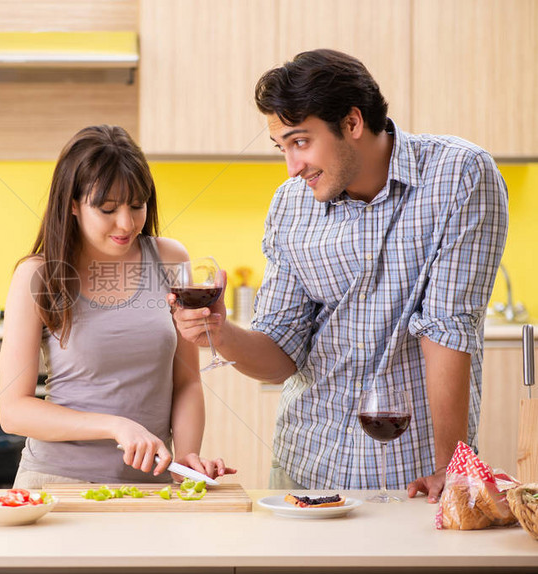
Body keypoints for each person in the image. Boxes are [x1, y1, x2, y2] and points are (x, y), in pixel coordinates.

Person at [171, 49, 508, 503]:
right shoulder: (291, 204)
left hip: (412, 474)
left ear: (352, 123)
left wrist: (449, 467)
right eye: (282, 148)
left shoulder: (459, 176)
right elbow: (280, 352)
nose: (292, 167)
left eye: (300, 142)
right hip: (305, 463)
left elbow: (447, 328)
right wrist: (220, 332)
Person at [0, 125, 234, 489]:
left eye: (137, 206)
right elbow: (13, 410)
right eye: (107, 208)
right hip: (56, 482)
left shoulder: (170, 259)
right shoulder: (39, 275)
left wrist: (185, 461)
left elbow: (186, 382)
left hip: (151, 487)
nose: (126, 223)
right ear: (73, 204)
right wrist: (114, 425)